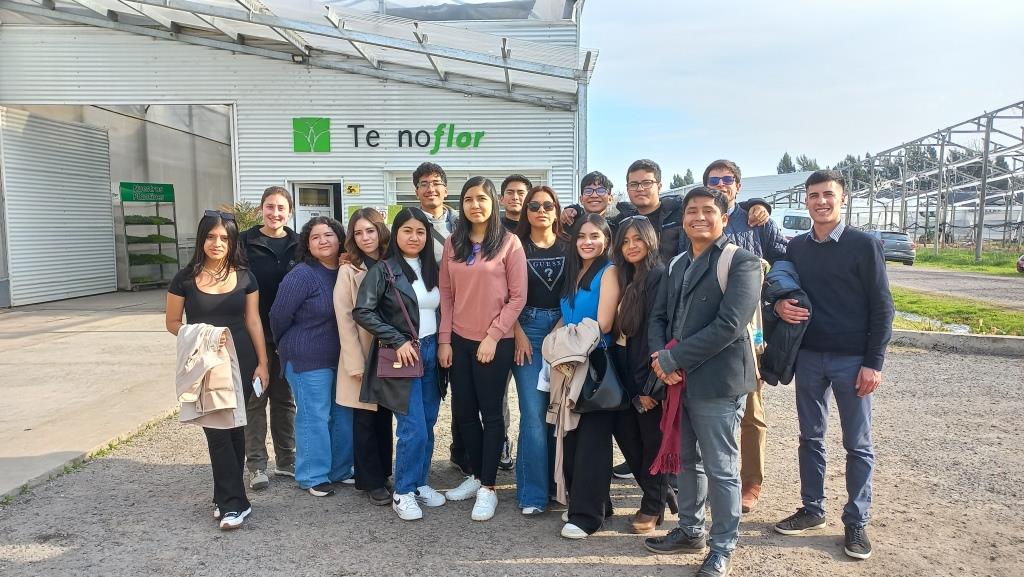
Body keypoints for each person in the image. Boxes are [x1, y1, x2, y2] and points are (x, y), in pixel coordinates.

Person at [772, 170, 894, 561]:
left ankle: (856, 521)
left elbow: (882, 306)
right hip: (808, 357)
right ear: (805, 202)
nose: (820, 201)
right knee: (810, 437)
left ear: (842, 199)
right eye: (813, 195)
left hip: (853, 360)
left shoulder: (864, 244)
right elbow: (782, 284)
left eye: (828, 195)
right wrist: (777, 305)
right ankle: (812, 508)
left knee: (857, 444)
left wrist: (873, 363)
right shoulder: (797, 248)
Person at [644, 187, 761, 577]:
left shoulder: (742, 262)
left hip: (718, 383)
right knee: (688, 461)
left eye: (708, 211)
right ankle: (690, 530)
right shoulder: (676, 263)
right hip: (678, 380)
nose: (698, 217)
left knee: (722, 468)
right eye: (691, 210)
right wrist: (661, 358)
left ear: (724, 218)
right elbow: (658, 317)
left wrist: (673, 358)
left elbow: (729, 325)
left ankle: (722, 546)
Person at [165, 210, 270, 530]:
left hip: (244, 362)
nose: (217, 243)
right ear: (201, 239)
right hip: (207, 364)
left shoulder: (245, 276)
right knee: (218, 432)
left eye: (224, 238)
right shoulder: (183, 279)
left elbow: (253, 321)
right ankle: (231, 505)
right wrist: (204, 334)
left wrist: (264, 363)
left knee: (236, 428)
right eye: (210, 237)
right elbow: (172, 323)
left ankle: (228, 497)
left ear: (233, 242)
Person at [438, 176, 527, 522]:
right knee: (463, 413)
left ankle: (489, 487)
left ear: (494, 203)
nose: (476, 204)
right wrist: (445, 339)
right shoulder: (452, 243)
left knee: (491, 415)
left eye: (482, 198)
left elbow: (518, 297)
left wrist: (493, 336)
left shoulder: (510, 243)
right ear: (462, 204)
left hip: (495, 342)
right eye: (469, 199)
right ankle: (475, 476)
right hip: (459, 340)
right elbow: (446, 295)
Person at [700, 159, 786, 514]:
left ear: (738, 185)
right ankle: (711, 477)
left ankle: (751, 480)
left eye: (727, 179)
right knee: (706, 408)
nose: (720, 184)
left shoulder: (756, 222)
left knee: (751, 407)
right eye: (713, 179)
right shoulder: (699, 220)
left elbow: (785, 260)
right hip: (706, 327)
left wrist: (777, 293)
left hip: (750, 329)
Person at [354, 208, 448, 521]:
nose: (414, 237)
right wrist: (397, 339)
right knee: (413, 430)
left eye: (420, 231)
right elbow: (363, 311)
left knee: (429, 424)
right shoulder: (384, 270)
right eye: (407, 230)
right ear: (396, 234)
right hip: (404, 355)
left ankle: (420, 483)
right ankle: (404, 491)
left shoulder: (433, 267)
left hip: (433, 352)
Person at [270, 216, 353, 497]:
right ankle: (311, 475)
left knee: (341, 413)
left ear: (339, 238)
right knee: (314, 415)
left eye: (328, 235)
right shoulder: (302, 275)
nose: (323, 241)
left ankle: (339, 470)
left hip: (340, 357)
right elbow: (278, 315)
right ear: (307, 243)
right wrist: (284, 344)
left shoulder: (345, 270)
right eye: (315, 237)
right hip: (306, 356)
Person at [556, 213, 621, 539]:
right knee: (573, 437)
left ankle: (587, 516)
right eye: (582, 235)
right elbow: (564, 316)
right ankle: (594, 502)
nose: (587, 241)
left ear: (607, 240)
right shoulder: (574, 271)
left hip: (595, 364)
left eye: (595, 235)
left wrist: (564, 341)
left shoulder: (608, 272)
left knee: (593, 441)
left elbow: (604, 324)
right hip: (571, 363)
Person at [410, 161, 476, 475]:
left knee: (464, 387)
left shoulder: (462, 224)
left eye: (436, 182)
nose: (430, 188)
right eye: (423, 183)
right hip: (423, 314)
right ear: (416, 190)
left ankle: (461, 452)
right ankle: (417, 459)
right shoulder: (408, 222)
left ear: (446, 188)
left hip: (462, 313)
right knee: (429, 387)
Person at [609, 215, 673, 534]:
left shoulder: (658, 276)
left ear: (650, 240)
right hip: (620, 363)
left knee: (651, 440)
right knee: (625, 433)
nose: (631, 246)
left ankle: (652, 506)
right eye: (625, 240)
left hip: (645, 369)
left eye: (638, 239)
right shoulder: (623, 276)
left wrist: (650, 385)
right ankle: (661, 492)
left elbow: (655, 332)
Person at [511, 185, 568, 515]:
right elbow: (502, 292)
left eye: (548, 205)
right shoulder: (514, 246)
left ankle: (556, 485)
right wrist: (516, 330)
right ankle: (532, 493)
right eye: (534, 205)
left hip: (562, 330)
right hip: (526, 331)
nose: (541, 210)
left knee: (558, 413)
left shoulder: (570, 246)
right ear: (526, 211)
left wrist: (561, 325)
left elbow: (576, 288)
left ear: (557, 210)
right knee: (533, 413)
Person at [239, 186, 298, 490]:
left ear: (289, 212)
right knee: (255, 399)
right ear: (261, 209)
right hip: (253, 333)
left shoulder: (298, 244)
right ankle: (257, 465)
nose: (275, 213)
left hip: (288, 334)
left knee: (285, 400)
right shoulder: (245, 242)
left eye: (281, 208)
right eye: (270, 207)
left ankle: (287, 461)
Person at [334, 208, 393, 506]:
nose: (365, 237)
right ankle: (370, 481)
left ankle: (384, 471)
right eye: (358, 232)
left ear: (380, 231)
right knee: (365, 419)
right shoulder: (349, 270)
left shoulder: (393, 263)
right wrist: (355, 362)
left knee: (385, 415)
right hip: (363, 353)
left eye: (370, 230)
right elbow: (345, 318)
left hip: (392, 351)